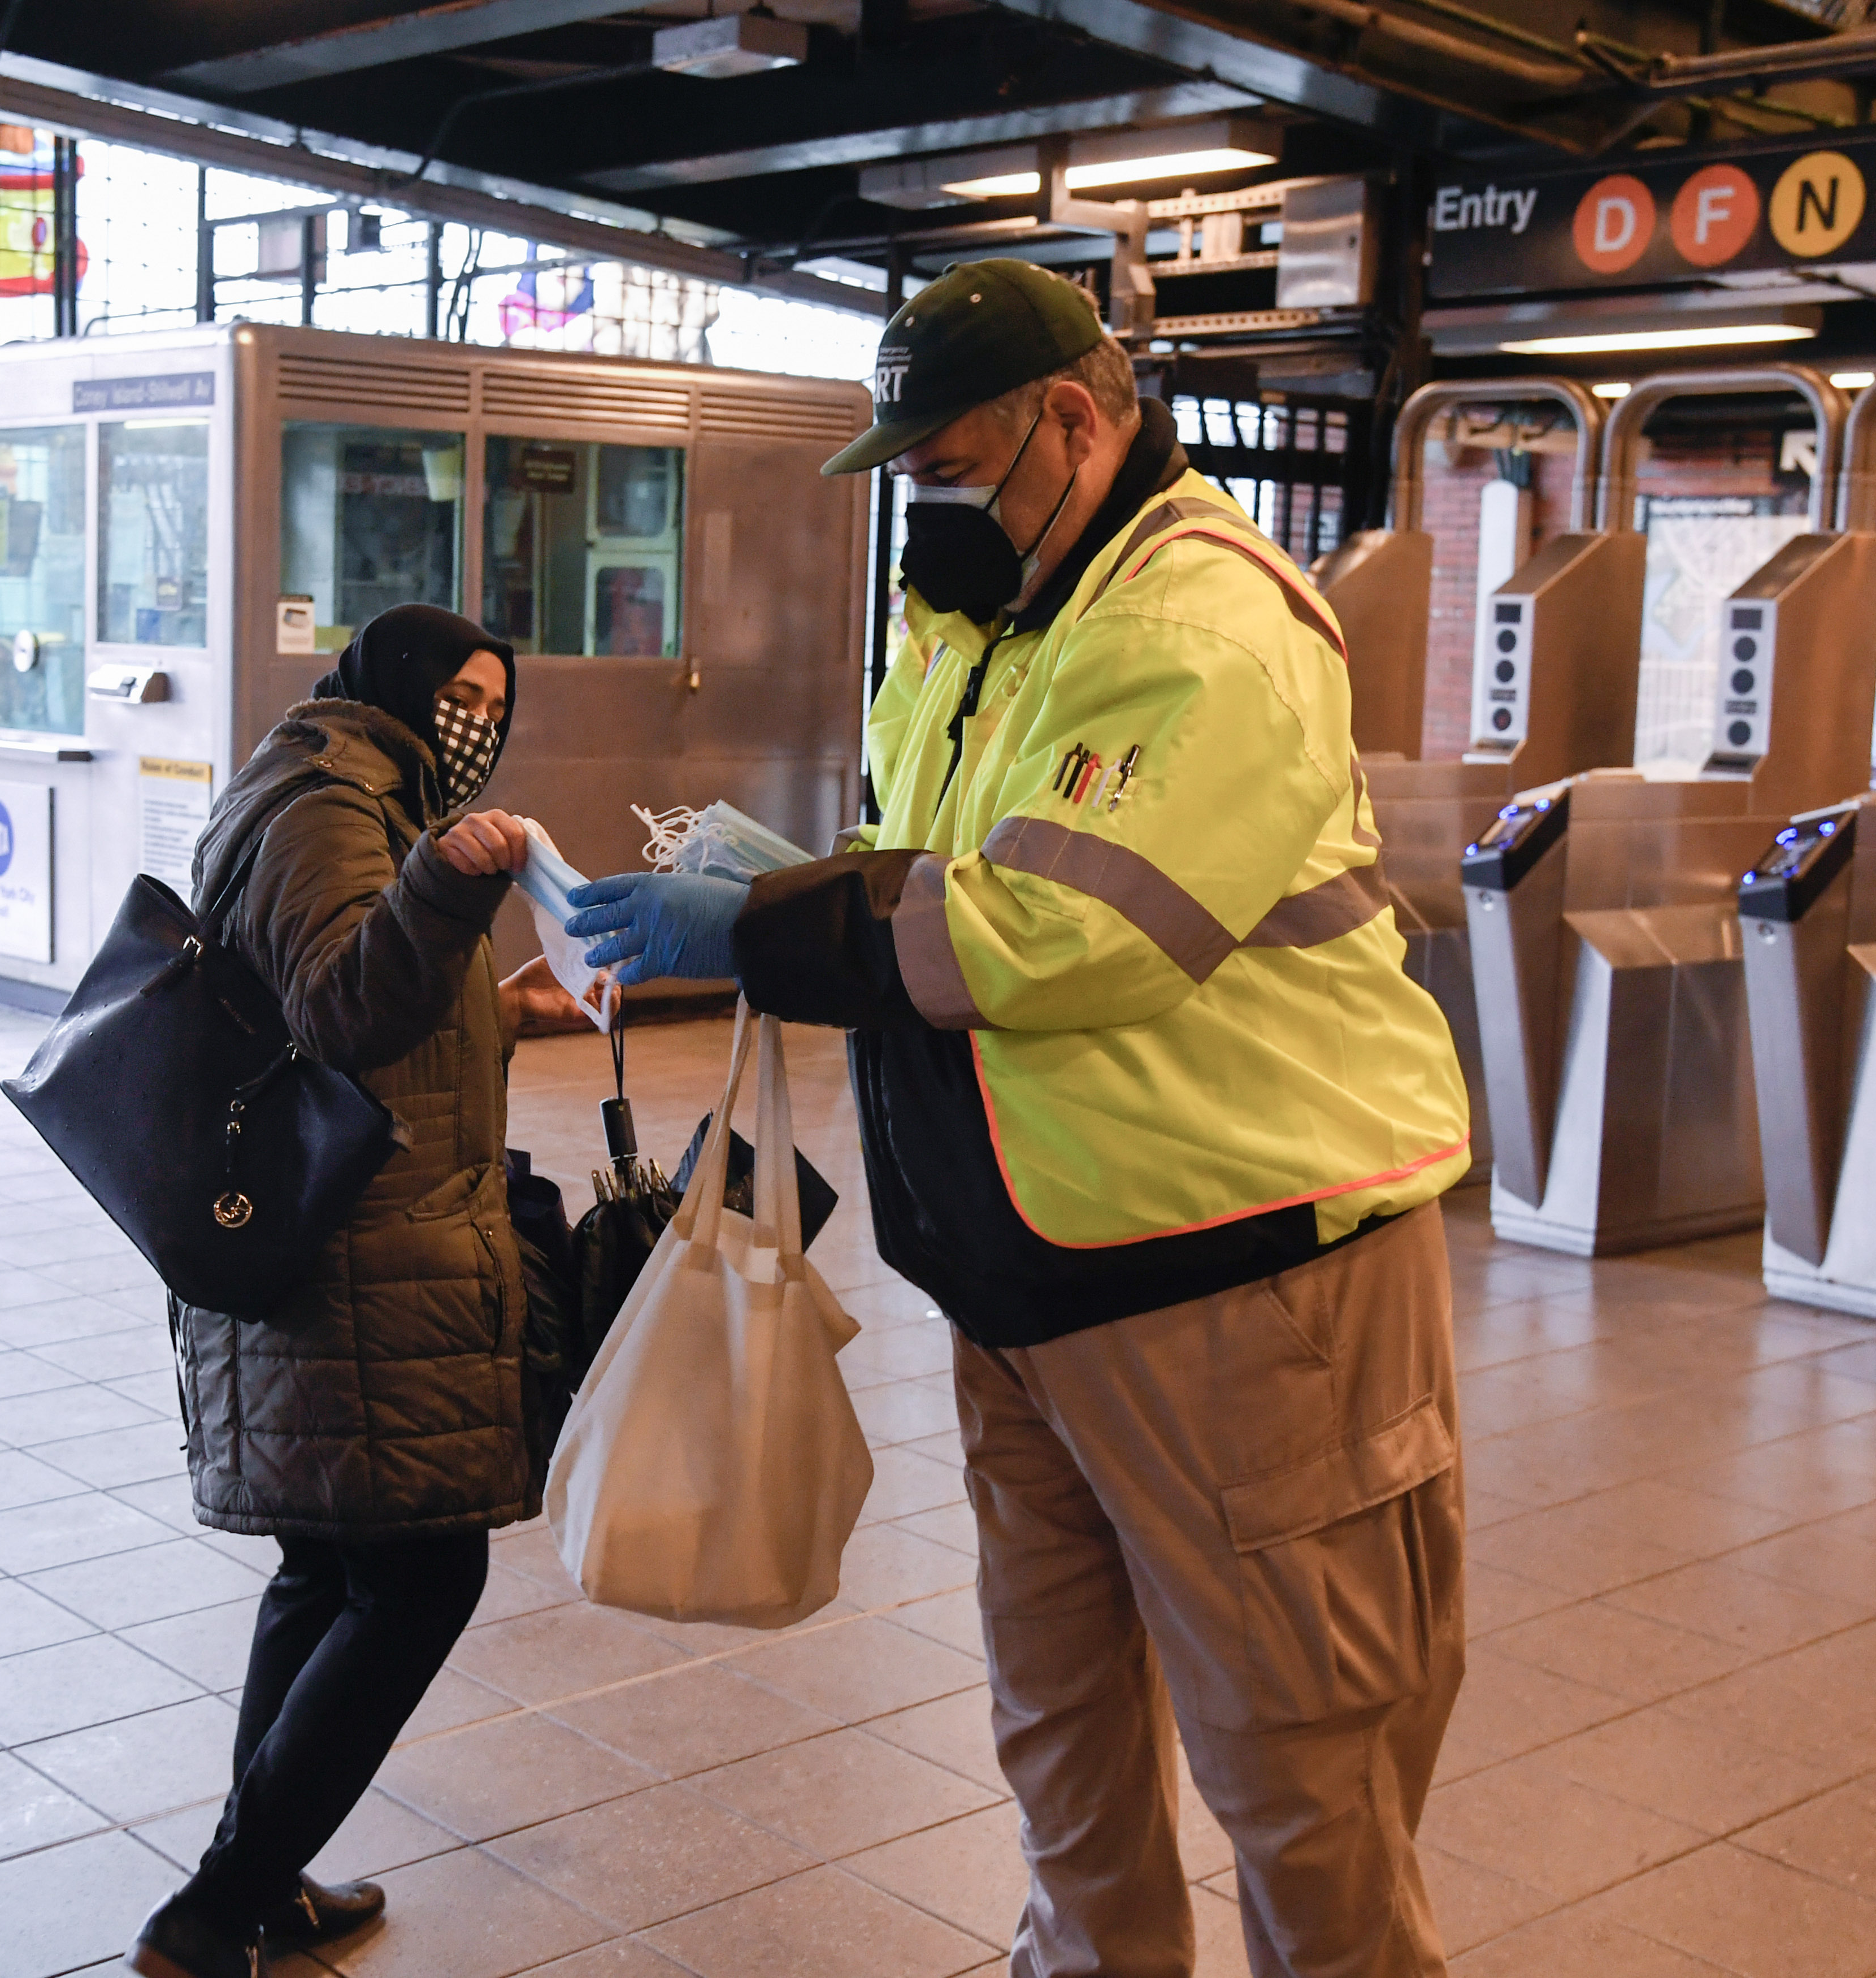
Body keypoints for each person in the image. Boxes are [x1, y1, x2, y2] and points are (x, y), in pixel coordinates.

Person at [567, 261, 1474, 1978]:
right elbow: (947, 862)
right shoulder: (995, 627)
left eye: (967, 463)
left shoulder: (1194, 621)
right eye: (920, 475)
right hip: (1027, 1275)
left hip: (1237, 1284)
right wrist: (800, 881)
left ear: (1076, 414)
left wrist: (774, 927)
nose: (945, 503)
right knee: (1059, 1731)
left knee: (1303, 1757)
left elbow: (1074, 930)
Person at [133, 604, 574, 1978]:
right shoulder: (331, 804)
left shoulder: (344, 782)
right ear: (395, 686)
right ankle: (216, 1905)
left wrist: (499, 1005)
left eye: (496, 704)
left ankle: (258, 1881)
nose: (477, 725)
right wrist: (449, 886)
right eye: (458, 695)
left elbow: (337, 1004)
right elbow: (338, 1004)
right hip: (346, 1258)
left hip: (343, 1240)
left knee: (329, 1567)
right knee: (420, 1573)